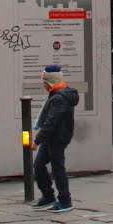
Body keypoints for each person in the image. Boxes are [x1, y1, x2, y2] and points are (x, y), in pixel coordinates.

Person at [30, 64, 78, 212]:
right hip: (51, 137)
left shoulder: (59, 98)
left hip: (57, 137)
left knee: (58, 168)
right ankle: (48, 196)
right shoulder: (57, 94)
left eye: (45, 82)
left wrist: (37, 140)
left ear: (50, 81)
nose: (43, 85)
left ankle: (65, 200)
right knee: (38, 165)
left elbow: (52, 121)